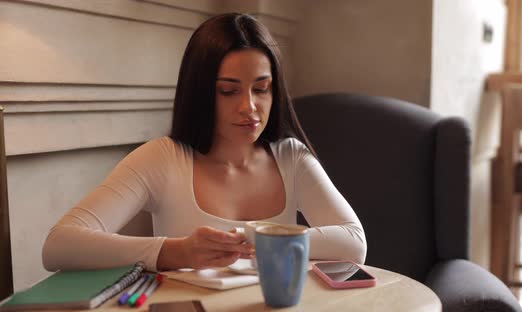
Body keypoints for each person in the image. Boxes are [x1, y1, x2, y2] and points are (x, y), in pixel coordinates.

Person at [42, 13, 366, 272]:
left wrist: (254, 239)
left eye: (261, 88)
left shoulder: (291, 157)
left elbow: (353, 242)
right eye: (229, 91)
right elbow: (58, 246)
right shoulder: (162, 159)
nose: (249, 107)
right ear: (200, 93)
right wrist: (177, 251)